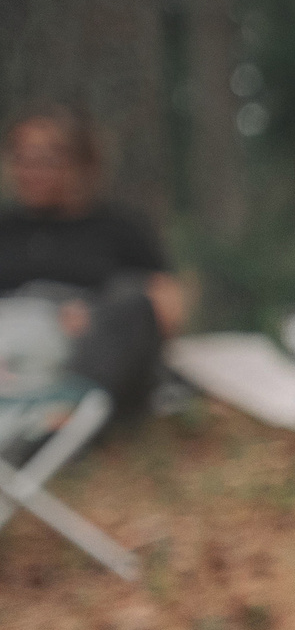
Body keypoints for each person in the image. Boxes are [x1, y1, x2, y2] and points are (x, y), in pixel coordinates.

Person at [0, 106, 186, 418]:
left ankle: (62, 417)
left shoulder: (118, 227)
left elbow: (167, 303)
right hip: (11, 344)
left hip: (83, 350)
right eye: (22, 158)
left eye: (46, 159)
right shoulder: (6, 228)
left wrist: (97, 315)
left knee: (135, 309)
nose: (31, 171)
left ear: (80, 163)